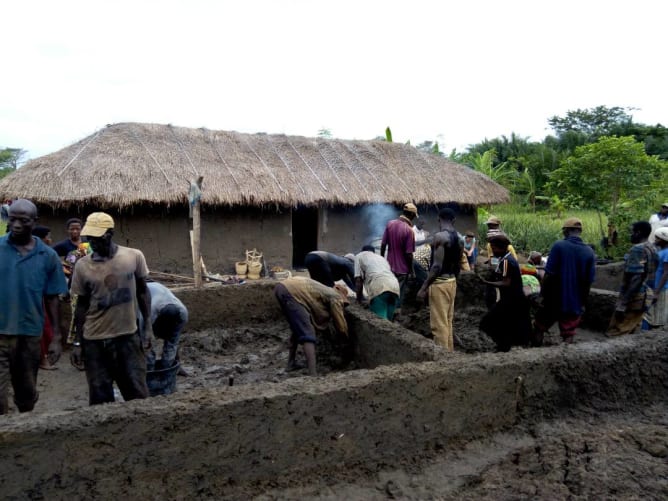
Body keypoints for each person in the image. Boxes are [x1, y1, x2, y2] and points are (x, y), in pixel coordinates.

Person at [70, 212, 154, 405]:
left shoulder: (133, 257)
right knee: (100, 399)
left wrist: (148, 327)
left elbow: (143, 292)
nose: (92, 241)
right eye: (89, 237)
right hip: (95, 341)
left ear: (110, 233)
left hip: (128, 338)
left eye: (97, 237)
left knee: (138, 394)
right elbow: (81, 306)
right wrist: (77, 342)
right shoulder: (82, 266)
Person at [0, 199, 67, 414]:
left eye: (23, 220)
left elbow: (52, 298)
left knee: (25, 395)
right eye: (12, 219)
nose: (17, 225)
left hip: (29, 334)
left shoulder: (47, 256)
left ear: (35, 221)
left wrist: (56, 336)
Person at [531, 217, 596, 345]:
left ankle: (534, 354)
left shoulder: (559, 246)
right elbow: (588, 282)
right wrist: (582, 302)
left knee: (540, 327)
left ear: (565, 231)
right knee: (569, 333)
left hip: (554, 298)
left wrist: (542, 295)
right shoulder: (589, 252)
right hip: (574, 301)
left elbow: (549, 274)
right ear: (580, 231)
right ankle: (566, 358)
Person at [274, 276, 349, 376]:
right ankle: (313, 374)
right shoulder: (336, 297)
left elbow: (317, 311)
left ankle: (290, 364)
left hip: (282, 287)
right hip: (292, 292)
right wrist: (346, 338)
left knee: (296, 329)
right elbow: (340, 324)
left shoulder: (325, 290)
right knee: (308, 332)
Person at [416, 208, 463, 351]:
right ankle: (449, 353)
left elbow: (436, 266)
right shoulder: (460, 239)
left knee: (439, 324)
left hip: (440, 283)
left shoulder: (440, 237)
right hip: (452, 282)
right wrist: (455, 281)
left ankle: (442, 357)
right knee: (447, 321)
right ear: (454, 220)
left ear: (438, 219)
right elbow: (458, 265)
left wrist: (423, 287)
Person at [479, 233, 531, 351]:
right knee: (507, 325)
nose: (493, 251)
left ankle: (503, 346)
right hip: (514, 299)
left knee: (488, 323)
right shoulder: (506, 259)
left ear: (501, 248)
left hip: (511, 300)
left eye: (494, 248)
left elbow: (506, 283)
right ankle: (505, 346)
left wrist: (487, 282)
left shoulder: (506, 261)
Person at [605, 221, 658, 337]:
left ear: (638, 233)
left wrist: (623, 303)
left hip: (635, 299)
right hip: (646, 296)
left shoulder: (637, 249)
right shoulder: (652, 248)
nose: (630, 235)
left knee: (617, 332)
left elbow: (636, 278)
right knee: (631, 333)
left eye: (631, 232)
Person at [141, 281, 188, 371]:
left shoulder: (182, 314)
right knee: (147, 341)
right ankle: (152, 367)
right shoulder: (150, 312)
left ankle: (168, 368)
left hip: (168, 307)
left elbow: (173, 341)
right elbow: (146, 341)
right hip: (151, 301)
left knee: (172, 340)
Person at [381, 203, 418, 311]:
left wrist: (382, 260)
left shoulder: (390, 224)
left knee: (388, 290)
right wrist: (412, 271)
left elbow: (383, 245)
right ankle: (395, 315)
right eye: (414, 215)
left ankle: (385, 311)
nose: (414, 218)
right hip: (402, 270)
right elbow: (409, 254)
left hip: (389, 266)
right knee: (398, 294)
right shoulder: (409, 230)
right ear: (411, 214)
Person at [32, 225, 58, 370]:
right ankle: (42, 360)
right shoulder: (36, 256)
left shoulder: (47, 254)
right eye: (47, 237)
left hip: (43, 297)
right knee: (43, 329)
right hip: (36, 299)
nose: (50, 239)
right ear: (41, 239)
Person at [353, 245, 400, 321]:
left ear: (362, 251)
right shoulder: (381, 258)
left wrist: (358, 300)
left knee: (381, 322)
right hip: (395, 285)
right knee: (389, 322)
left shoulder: (359, 256)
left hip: (379, 285)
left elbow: (358, 281)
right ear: (373, 252)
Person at [484, 216, 518, 309]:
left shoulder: (505, 260)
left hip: (506, 282)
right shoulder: (506, 247)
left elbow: (504, 281)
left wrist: (488, 281)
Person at [648, 227, 668, 330]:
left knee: (658, 316)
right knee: (653, 315)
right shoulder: (662, 251)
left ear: (664, 240)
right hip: (656, 286)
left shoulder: (667, 253)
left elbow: (666, 273)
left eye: (657, 238)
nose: (655, 240)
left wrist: (656, 292)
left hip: (661, 288)